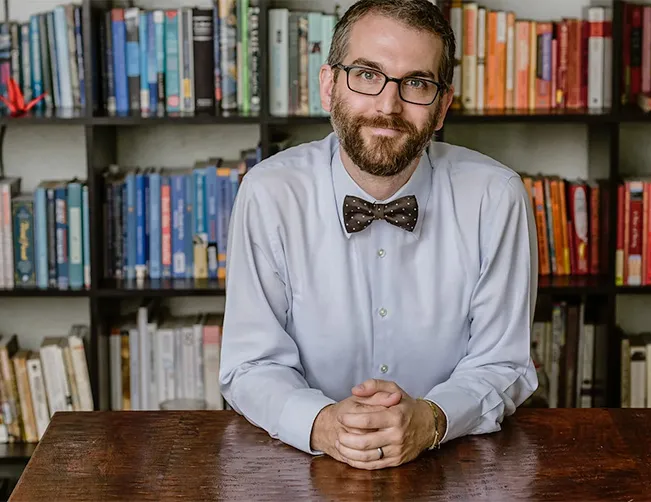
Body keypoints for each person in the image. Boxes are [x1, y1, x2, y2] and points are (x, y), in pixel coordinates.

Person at [219, 0, 538, 471]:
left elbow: (503, 363)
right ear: (329, 86)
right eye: (367, 75)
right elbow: (250, 364)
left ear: (443, 105)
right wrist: (323, 424)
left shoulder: (497, 196)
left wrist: (430, 421)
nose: (388, 106)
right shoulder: (269, 192)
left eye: (416, 83)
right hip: (302, 467)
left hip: (453, 464)